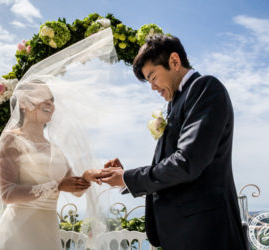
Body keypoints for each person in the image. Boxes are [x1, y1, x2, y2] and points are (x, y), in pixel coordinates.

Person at [101, 34, 248, 250]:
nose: (153, 87)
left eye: (153, 77)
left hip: (206, 234)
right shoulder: (174, 103)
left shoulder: (205, 88)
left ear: (174, 61)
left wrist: (127, 178)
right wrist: (125, 178)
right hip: (182, 233)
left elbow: (186, 162)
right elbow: (168, 164)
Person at [0, 28, 117, 250]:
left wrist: (90, 175)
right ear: (23, 103)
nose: (50, 103)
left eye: (52, 99)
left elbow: (75, 188)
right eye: (42, 98)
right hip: (18, 235)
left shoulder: (54, 148)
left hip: (47, 234)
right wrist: (57, 185)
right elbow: (8, 194)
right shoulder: (11, 140)